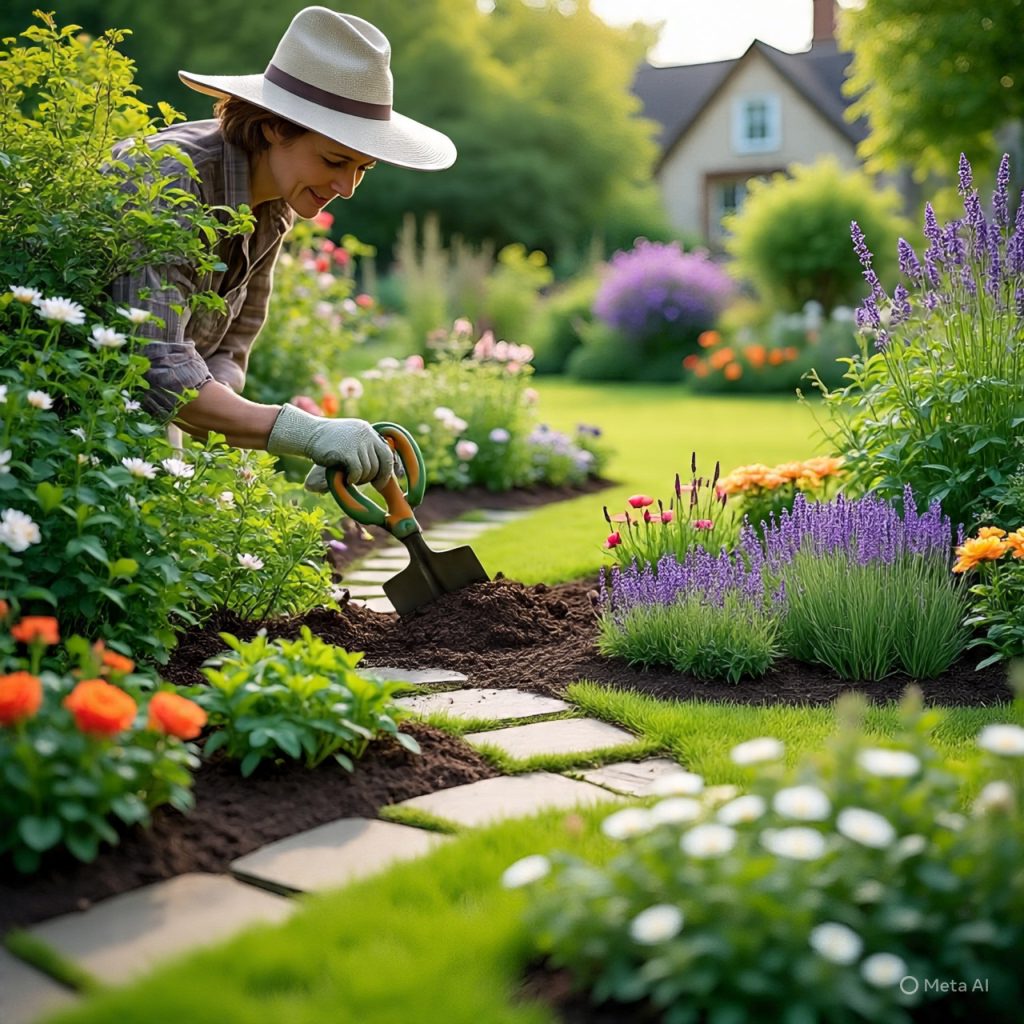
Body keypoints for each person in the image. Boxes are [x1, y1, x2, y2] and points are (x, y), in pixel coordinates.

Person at [110, 6, 456, 491]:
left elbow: (230, 346)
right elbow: (155, 365)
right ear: (275, 126)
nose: (348, 186)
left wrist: (244, 423)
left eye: (363, 167)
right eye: (336, 160)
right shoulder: (171, 184)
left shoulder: (273, 206)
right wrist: (303, 432)